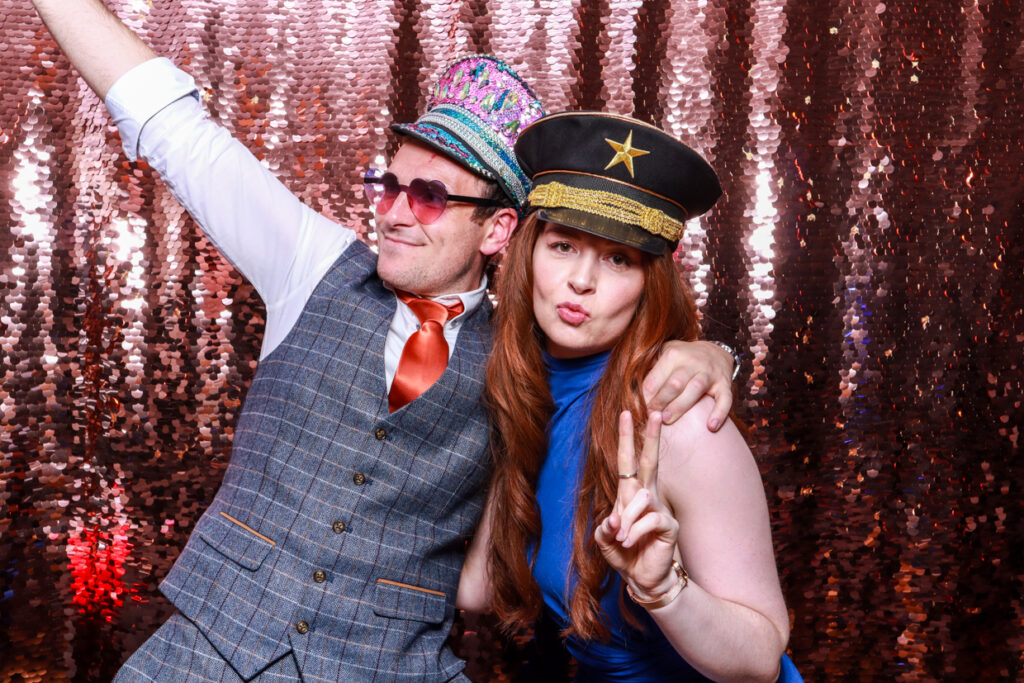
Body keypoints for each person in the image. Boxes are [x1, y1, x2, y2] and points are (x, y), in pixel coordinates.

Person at [30, 2, 741, 680]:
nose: (395, 212)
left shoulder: (526, 348)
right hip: (204, 654)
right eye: (389, 185)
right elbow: (175, 130)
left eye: (429, 195)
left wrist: (710, 354)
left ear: (497, 230)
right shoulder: (311, 263)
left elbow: (622, 354)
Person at [457, 112, 801, 682]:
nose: (582, 281)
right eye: (563, 245)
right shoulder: (521, 388)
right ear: (528, 253)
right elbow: (476, 586)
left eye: (619, 258)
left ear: (650, 285)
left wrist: (665, 590)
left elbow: (762, 657)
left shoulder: (678, 422)